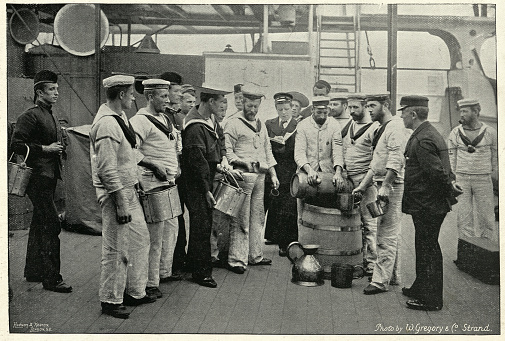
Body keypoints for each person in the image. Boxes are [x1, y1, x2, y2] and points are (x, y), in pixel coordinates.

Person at [90, 75, 154, 319]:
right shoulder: (107, 124)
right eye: (131, 93)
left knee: (140, 240)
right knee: (116, 249)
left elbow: (128, 151)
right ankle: (110, 300)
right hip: (116, 194)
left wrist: (150, 165)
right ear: (121, 96)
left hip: (129, 189)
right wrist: (119, 203)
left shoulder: (119, 118)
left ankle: (134, 291)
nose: (134, 97)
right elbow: (106, 169)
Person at [11, 70, 72, 293]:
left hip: (49, 177)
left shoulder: (50, 114)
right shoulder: (30, 115)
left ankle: (34, 271)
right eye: (51, 90)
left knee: (39, 223)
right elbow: (16, 144)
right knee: (52, 224)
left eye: (57, 89)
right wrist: (46, 149)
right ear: (39, 92)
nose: (56, 93)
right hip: (36, 178)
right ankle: (52, 279)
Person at [399, 95, 462, 311]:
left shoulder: (423, 139)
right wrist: (451, 186)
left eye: (403, 112)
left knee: (428, 249)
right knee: (423, 245)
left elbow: (436, 173)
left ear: (413, 114)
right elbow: (445, 170)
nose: (401, 116)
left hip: (428, 204)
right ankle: (420, 287)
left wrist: (448, 190)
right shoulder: (428, 133)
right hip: (428, 203)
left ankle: (431, 299)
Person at [129, 79, 183, 300]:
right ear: (150, 96)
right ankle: (150, 283)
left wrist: (175, 167)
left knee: (170, 232)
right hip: (152, 183)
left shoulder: (164, 118)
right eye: (163, 96)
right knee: (154, 236)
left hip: (168, 182)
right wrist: (153, 165)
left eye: (168, 95)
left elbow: (171, 146)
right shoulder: (140, 121)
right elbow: (130, 151)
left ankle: (161, 273)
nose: (168, 100)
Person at [352, 93, 410, 295]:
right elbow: (376, 163)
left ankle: (379, 281)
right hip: (381, 182)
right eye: (367, 106)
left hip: (392, 185)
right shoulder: (380, 128)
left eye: (373, 106)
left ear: (385, 105)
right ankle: (393, 276)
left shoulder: (394, 127)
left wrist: (385, 185)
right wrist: (363, 185)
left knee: (386, 233)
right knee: (389, 230)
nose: (369, 110)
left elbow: (396, 158)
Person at [182, 85, 235, 288]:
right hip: (196, 182)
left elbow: (220, 138)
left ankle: (193, 263)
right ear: (210, 102)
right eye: (222, 102)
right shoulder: (194, 126)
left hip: (207, 177)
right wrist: (206, 191)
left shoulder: (209, 119)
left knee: (203, 223)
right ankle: (201, 272)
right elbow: (197, 163)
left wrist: (223, 158)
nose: (224, 107)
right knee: (201, 226)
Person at [224, 86, 280, 274]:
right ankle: (237, 259)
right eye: (249, 105)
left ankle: (255, 255)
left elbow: (267, 150)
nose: (253, 110)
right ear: (243, 102)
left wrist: (273, 174)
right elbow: (228, 153)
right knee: (241, 219)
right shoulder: (233, 123)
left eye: (256, 106)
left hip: (260, 178)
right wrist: (245, 164)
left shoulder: (261, 124)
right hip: (242, 177)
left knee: (257, 217)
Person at [447, 98, 498, 243]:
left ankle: (486, 252)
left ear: (476, 111)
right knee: (463, 217)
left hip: (483, 178)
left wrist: (487, 170)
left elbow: (495, 155)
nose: (461, 114)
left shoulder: (489, 132)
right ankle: (466, 252)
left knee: (486, 217)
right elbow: (452, 158)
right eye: (461, 111)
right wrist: (455, 177)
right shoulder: (455, 133)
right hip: (462, 179)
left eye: (465, 111)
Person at [341, 93, 379, 276]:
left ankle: (373, 265)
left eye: (355, 107)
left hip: (367, 183)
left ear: (365, 106)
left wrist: (365, 184)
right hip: (350, 181)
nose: (352, 111)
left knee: (370, 224)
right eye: (349, 107)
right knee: (355, 223)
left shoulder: (375, 127)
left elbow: (377, 161)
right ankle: (360, 260)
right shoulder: (350, 125)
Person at [159, 71, 188, 274]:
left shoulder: (176, 115)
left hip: (180, 174)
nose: (179, 94)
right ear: (167, 91)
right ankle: (173, 263)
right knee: (172, 220)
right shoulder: (166, 116)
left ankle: (178, 260)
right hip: (168, 175)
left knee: (177, 218)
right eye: (176, 90)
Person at [264, 92, 299, 256]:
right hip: (274, 170)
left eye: (286, 109)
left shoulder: (298, 125)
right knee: (275, 206)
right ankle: (274, 236)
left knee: (289, 208)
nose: (284, 112)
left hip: (291, 170)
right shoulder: (269, 124)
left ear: (292, 108)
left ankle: (286, 243)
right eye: (280, 109)